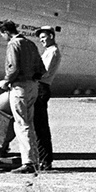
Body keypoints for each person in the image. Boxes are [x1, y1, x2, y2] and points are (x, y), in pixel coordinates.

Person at [0, 20, 45, 174]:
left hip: (20, 87)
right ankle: (35, 159)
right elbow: (41, 68)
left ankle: (29, 162)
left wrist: (6, 81)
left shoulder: (13, 44)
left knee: (21, 124)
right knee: (29, 123)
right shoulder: (30, 44)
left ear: (5, 32)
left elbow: (13, 67)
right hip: (33, 86)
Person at [35, 26, 62, 171]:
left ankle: (45, 161)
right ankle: (42, 159)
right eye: (40, 39)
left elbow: (43, 73)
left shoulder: (53, 52)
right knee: (38, 126)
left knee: (40, 126)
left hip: (41, 87)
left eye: (44, 38)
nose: (42, 41)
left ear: (51, 36)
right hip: (40, 87)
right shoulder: (48, 51)